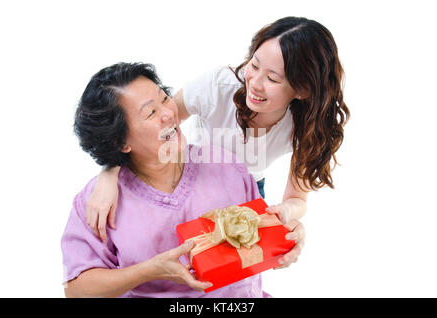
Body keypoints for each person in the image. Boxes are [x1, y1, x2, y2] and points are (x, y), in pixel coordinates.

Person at [86, 16, 350, 268]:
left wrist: (285, 214)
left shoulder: (307, 126)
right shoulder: (218, 86)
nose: (254, 83)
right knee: (174, 266)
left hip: (248, 193)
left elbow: (297, 199)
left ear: (302, 89)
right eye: (254, 65)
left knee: (231, 278)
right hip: (192, 178)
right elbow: (155, 123)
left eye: (272, 79)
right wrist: (109, 172)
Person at [62, 62, 302, 298]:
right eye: (151, 112)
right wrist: (148, 271)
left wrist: (290, 234)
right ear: (121, 142)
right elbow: (77, 290)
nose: (169, 113)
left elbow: (262, 233)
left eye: (164, 98)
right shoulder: (99, 203)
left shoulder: (225, 165)